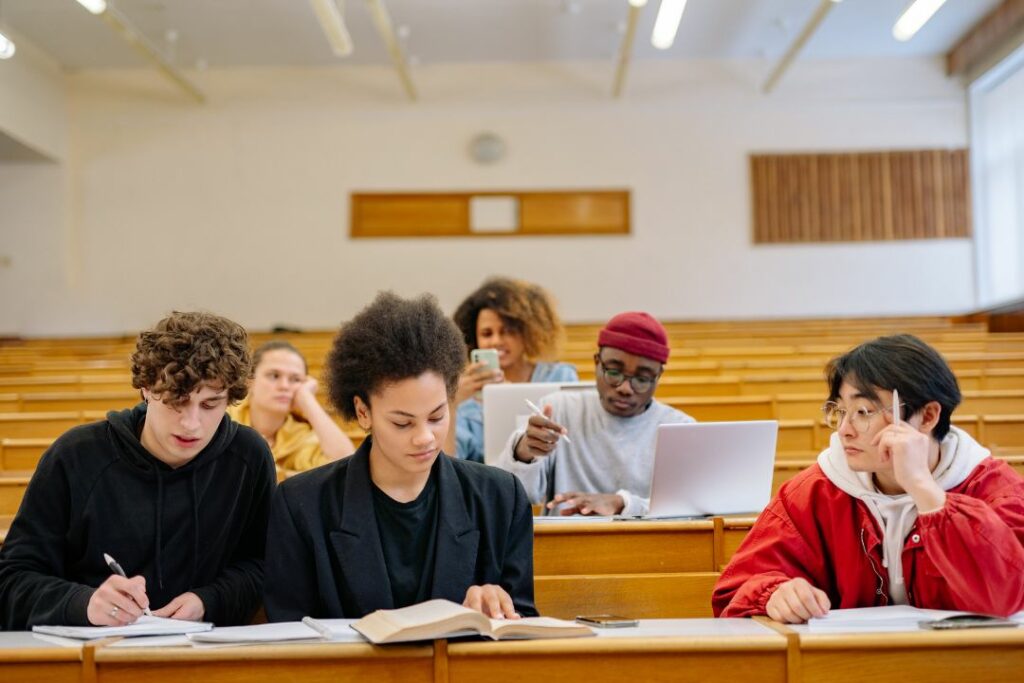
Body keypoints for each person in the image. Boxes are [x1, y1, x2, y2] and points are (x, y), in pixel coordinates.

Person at [264, 292, 537, 621]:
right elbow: (289, 637)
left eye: (437, 417)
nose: (424, 437)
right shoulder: (301, 504)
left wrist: (499, 606)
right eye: (402, 422)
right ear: (363, 412)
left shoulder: (500, 497)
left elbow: (523, 629)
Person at [713, 334, 1024, 622]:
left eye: (863, 412)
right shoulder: (815, 491)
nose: (844, 429)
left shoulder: (995, 489)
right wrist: (775, 594)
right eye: (840, 411)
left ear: (928, 416)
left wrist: (925, 490)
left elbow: (1005, 596)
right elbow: (735, 589)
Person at [0, 312, 276, 630]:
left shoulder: (248, 456)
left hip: (204, 656)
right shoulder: (75, 456)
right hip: (91, 657)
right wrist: (83, 604)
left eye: (210, 405)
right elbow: (12, 580)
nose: (191, 424)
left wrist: (209, 600)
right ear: (146, 388)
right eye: (177, 401)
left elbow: (263, 565)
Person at [495, 311, 694, 517]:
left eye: (642, 379)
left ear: (658, 377)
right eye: (614, 372)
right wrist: (525, 451)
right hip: (567, 542)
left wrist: (622, 503)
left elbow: (692, 508)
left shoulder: (680, 428)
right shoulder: (557, 409)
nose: (625, 388)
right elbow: (510, 494)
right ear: (597, 363)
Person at [448, 277, 578, 463]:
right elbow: (450, 462)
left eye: (508, 331)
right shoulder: (466, 396)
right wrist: (451, 403)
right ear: (473, 339)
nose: (496, 341)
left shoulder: (560, 376)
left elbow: (573, 446)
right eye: (487, 333)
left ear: (528, 332)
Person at [227, 340, 355, 471]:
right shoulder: (225, 418)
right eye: (274, 376)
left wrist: (308, 400)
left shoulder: (297, 435)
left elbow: (346, 464)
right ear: (250, 381)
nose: (284, 386)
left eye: (295, 379)